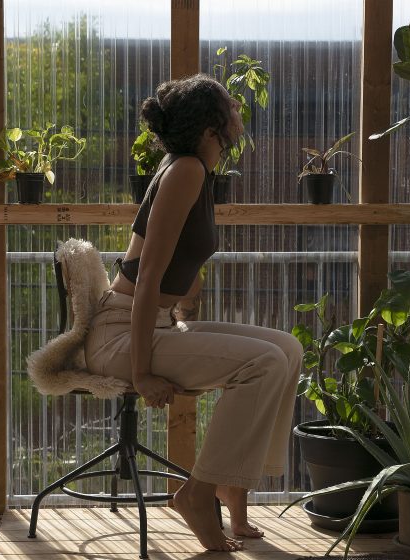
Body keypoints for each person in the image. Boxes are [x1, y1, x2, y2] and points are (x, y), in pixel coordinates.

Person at [84, 74, 302, 552]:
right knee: (263, 363)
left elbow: (177, 268)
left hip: (154, 323)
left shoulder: (195, 172)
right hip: (121, 336)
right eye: (232, 107)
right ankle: (199, 495)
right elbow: (146, 278)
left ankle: (232, 488)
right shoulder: (184, 171)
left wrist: (182, 317)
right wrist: (142, 374)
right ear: (211, 128)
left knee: (287, 347)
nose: (240, 113)